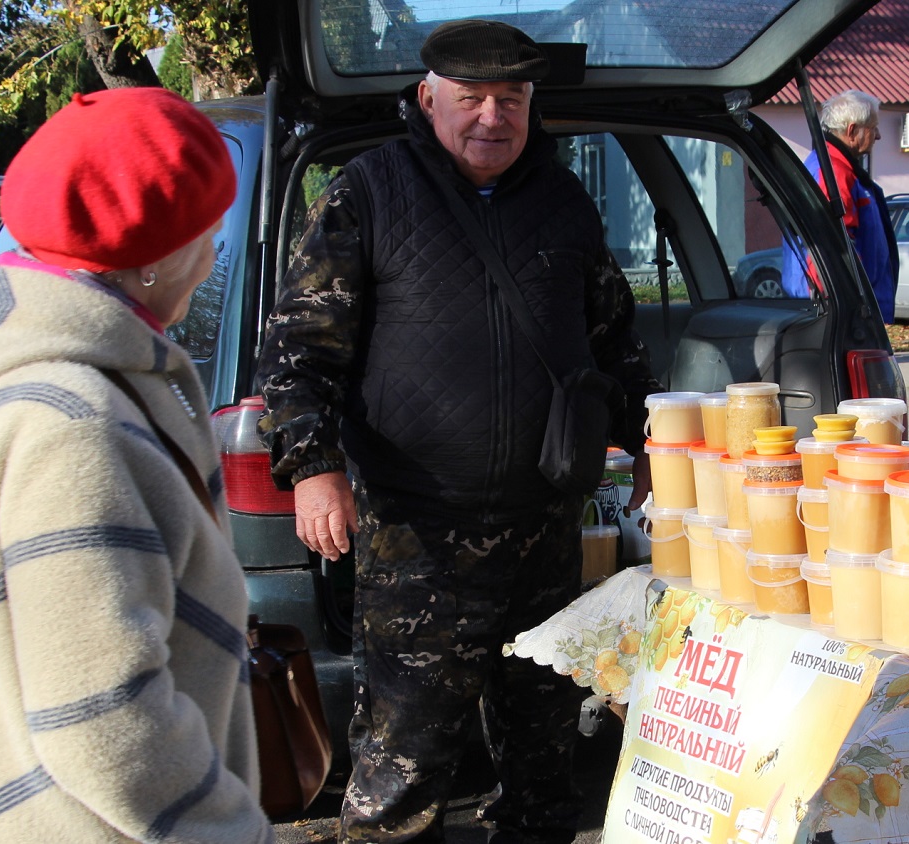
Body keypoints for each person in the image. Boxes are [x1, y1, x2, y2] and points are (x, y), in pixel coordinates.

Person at [257, 18, 662, 843]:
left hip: (544, 533)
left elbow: (615, 342)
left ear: (530, 105)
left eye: (510, 99)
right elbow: (298, 351)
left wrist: (654, 447)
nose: (491, 117)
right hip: (418, 540)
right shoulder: (368, 191)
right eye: (471, 98)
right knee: (404, 773)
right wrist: (312, 466)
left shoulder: (563, 198)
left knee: (547, 764)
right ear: (428, 99)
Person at [0, 88, 273, 843]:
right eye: (208, 233)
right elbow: (103, 715)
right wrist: (234, 832)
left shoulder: (54, 379)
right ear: (156, 259)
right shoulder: (74, 424)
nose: (209, 261)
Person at [779, 89, 898, 323]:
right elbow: (826, 248)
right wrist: (843, 311)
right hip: (841, 314)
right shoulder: (832, 175)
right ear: (852, 131)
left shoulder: (839, 170)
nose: (879, 136)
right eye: (873, 128)